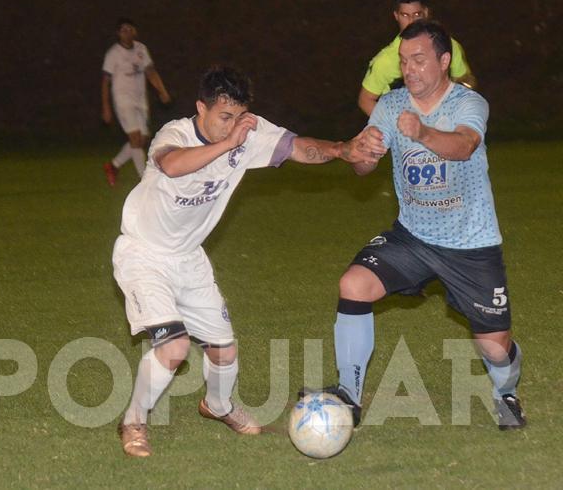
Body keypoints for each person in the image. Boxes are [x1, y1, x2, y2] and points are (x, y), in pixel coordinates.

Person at [113, 65, 385, 457]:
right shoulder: (174, 134)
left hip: (188, 258)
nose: (233, 126)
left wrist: (343, 149)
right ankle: (134, 421)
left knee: (224, 352)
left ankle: (217, 406)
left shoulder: (247, 131)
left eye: (239, 117)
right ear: (200, 109)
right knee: (173, 349)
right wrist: (230, 144)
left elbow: (298, 148)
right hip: (144, 253)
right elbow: (172, 165)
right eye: (224, 117)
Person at [315, 20, 525, 430]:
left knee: (495, 349)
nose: (409, 69)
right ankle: (348, 396)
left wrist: (423, 132)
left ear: (444, 61)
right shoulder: (391, 105)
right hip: (413, 237)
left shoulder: (468, 103)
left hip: (471, 242)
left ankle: (507, 393)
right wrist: (365, 155)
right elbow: (361, 166)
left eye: (419, 59)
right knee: (353, 285)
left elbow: (463, 146)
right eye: (404, 61)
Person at [357, 0, 477, 116]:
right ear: (396, 16)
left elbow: (466, 80)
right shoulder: (386, 61)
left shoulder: (448, 46)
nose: (411, 22)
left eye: (416, 15)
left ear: (425, 12)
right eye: (405, 15)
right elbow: (365, 100)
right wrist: (393, 126)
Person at [101, 17, 171, 186]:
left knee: (142, 139)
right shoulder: (113, 53)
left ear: (135, 31)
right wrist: (106, 107)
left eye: (130, 29)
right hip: (122, 99)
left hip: (140, 99)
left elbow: (150, 71)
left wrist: (162, 91)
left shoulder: (141, 49)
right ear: (118, 33)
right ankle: (145, 180)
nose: (127, 33)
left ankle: (113, 165)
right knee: (135, 138)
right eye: (123, 30)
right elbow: (105, 81)